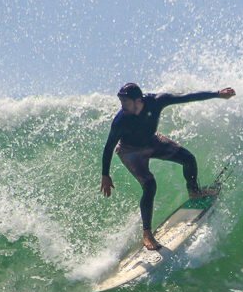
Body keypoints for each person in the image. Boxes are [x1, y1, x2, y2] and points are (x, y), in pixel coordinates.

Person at [100, 82, 236, 250]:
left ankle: (194, 191)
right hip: (130, 151)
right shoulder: (121, 120)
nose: (122, 106)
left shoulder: (156, 101)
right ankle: (147, 233)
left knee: (188, 159)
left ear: (138, 100)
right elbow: (109, 147)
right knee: (149, 185)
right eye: (121, 102)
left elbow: (186, 97)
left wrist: (217, 93)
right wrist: (105, 175)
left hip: (152, 141)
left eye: (125, 102)